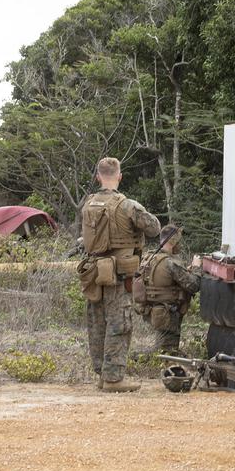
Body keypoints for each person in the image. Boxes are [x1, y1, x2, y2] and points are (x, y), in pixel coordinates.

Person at [78, 157, 160, 392]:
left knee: (96, 323)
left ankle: (102, 375)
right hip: (119, 273)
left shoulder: (88, 204)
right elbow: (154, 228)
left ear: (98, 177)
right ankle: (114, 379)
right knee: (119, 323)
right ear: (120, 176)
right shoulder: (128, 205)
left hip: (94, 273)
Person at [137, 225, 202, 353]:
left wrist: (185, 271)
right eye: (178, 242)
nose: (180, 245)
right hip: (168, 313)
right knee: (168, 352)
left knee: (162, 348)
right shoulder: (170, 263)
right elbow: (194, 285)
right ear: (172, 242)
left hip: (153, 309)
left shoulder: (149, 257)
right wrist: (196, 267)